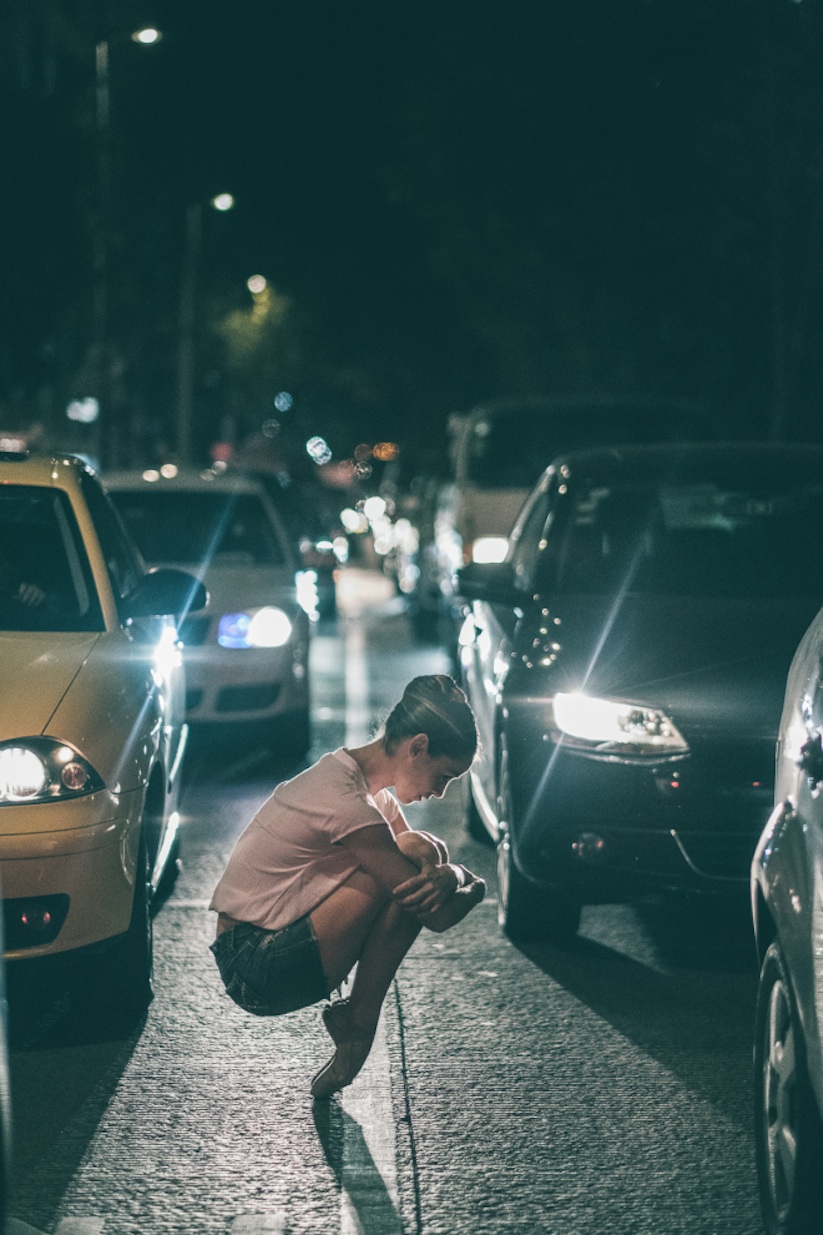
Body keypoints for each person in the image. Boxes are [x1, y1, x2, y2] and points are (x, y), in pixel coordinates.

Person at [209, 674, 486, 1098]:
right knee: (404, 870)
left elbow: (424, 864)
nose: (440, 792)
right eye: (444, 775)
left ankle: (356, 1025)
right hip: (252, 964)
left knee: (411, 862)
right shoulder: (344, 800)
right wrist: (473, 883)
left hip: (274, 953)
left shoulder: (371, 796)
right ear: (418, 747)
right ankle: (359, 1025)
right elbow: (437, 913)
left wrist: (447, 870)